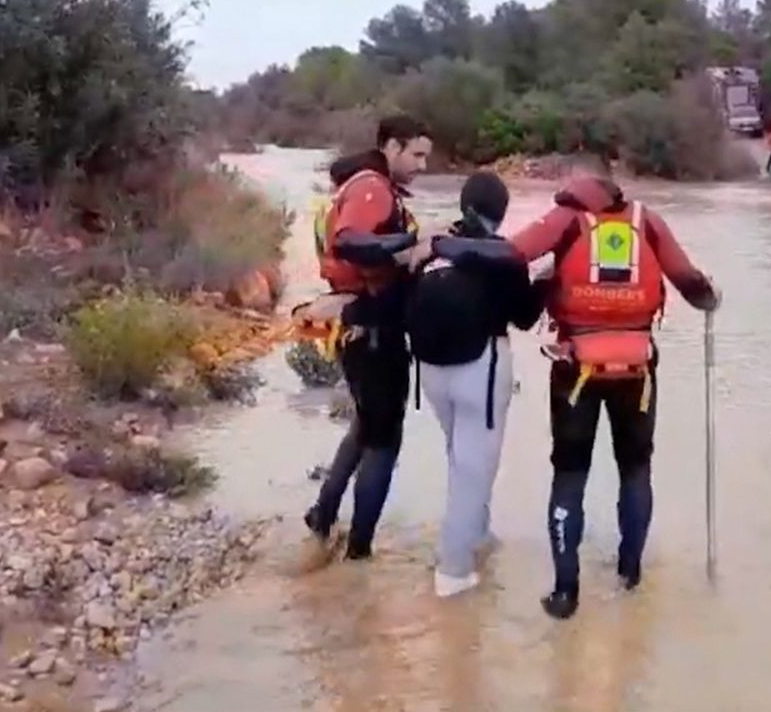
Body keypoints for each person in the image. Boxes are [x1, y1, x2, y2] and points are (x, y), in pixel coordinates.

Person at [504, 154, 721, 620]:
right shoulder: (649, 221)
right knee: (635, 470)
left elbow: (511, 254)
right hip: (636, 372)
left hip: (575, 370)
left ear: (578, 188)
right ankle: (630, 575)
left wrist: (541, 284)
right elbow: (692, 286)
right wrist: (711, 296)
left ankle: (565, 594)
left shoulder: (565, 219)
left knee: (569, 476)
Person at [300, 114, 432, 566]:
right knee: (383, 441)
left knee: (365, 425)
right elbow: (351, 242)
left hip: (359, 326)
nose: (422, 165)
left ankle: (322, 515)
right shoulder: (372, 186)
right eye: (416, 154)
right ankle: (359, 551)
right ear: (390, 147)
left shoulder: (361, 185)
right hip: (374, 332)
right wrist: (415, 242)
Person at [407, 172, 547, 598]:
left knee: (461, 458)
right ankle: (453, 573)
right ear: (501, 213)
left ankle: (478, 536)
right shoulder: (502, 257)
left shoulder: (430, 246)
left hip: (430, 373)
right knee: (473, 470)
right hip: (479, 370)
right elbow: (524, 318)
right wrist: (543, 281)